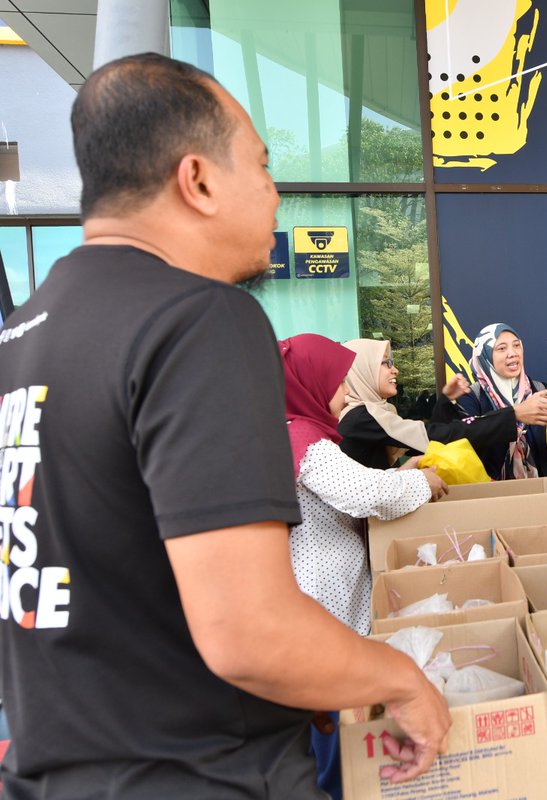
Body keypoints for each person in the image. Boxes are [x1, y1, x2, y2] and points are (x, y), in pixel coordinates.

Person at [0, 53, 449, 797]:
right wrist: (399, 678)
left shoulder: (22, 334)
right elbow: (250, 632)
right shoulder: (199, 319)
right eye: (263, 167)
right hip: (201, 772)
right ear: (198, 179)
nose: (276, 196)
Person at [281, 333, 448, 798]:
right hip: (322, 605)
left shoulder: (307, 434)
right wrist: (419, 484)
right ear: (311, 382)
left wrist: (399, 476)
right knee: (330, 741)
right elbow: (363, 494)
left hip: (330, 600)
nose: (346, 392)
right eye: (338, 382)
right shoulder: (303, 438)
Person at [337, 337, 519, 471]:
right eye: (386, 363)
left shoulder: (370, 414)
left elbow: (429, 438)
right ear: (362, 369)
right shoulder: (361, 417)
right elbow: (437, 437)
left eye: (517, 346)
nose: (395, 370)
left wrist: (445, 401)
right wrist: (514, 414)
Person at [432, 323, 547, 480]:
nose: (512, 353)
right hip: (490, 496)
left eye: (516, 346)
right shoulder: (472, 396)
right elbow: (465, 445)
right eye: (501, 348)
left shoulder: (540, 390)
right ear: (486, 355)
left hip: (540, 492)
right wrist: (515, 415)